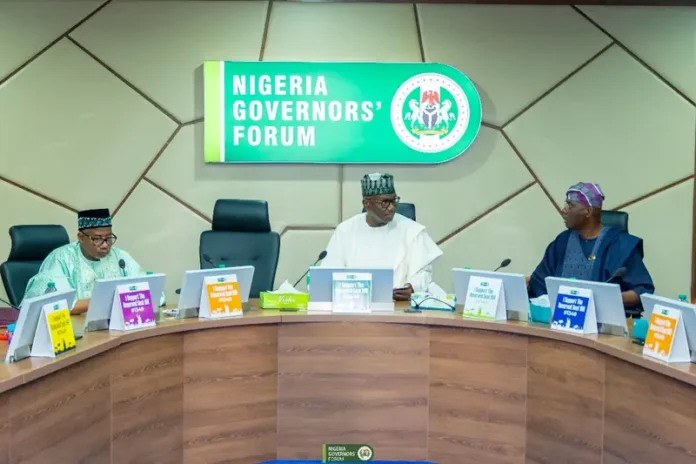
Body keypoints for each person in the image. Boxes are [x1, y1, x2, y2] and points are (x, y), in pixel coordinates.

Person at [527, 182, 654, 315]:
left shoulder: (620, 245)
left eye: (570, 205)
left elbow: (642, 290)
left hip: (604, 321)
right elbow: (540, 282)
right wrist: (528, 284)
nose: (563, 210)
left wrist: (608, 299)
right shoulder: (562, 241)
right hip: (560, 319)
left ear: (588, 211)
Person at [320, 172, 443, 301]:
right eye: (385, 202)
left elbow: (423, 273)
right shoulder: (346, 230)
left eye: (394, 201)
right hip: (353, 305)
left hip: (399, 306)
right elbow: (329, 273)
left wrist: (413, 288)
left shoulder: (412, 231)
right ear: (366, 204)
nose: (392, 208)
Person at [22, 208, 163, 314]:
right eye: (97, 239)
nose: (105, 245)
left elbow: (154, 294)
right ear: (81, 237)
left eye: (109, 238)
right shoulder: (61, 258)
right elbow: (56, 305)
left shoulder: (120, 257)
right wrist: (109, 300)